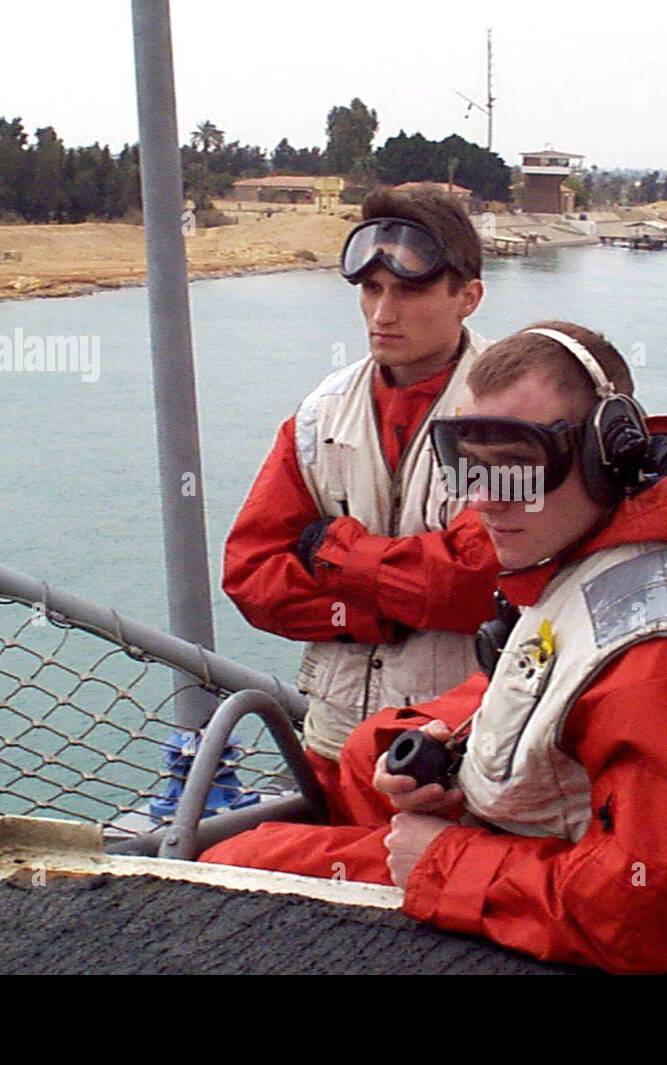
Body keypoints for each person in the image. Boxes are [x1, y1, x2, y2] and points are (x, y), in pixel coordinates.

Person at [203, 321, 667, 975]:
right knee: (373, 748)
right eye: (469, 466)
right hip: (566, 837)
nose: (485, 501)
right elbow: (568, 668)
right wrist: (451, 741)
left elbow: (651, 913)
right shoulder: (638, 524)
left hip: (595, 896)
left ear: (607, 452)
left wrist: (442, 863)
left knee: (224, 871)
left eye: (519, 467)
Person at [222, 189, 502, 819]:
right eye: (371, 289)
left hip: (457, 748)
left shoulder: (514, 410)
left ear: (468, 297)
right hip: (334, 739)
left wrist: (331, 550)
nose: (383, 312)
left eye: (409, 292)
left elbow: (475, 583)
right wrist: (376, 614)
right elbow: (250, 575)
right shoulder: (321, 415)